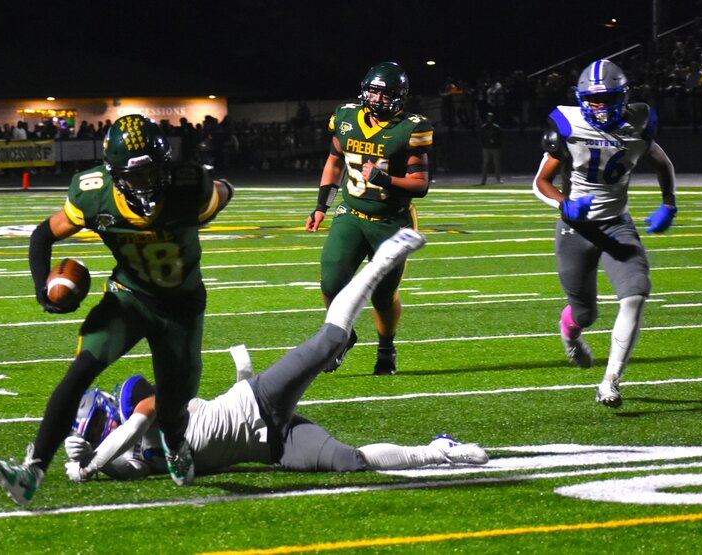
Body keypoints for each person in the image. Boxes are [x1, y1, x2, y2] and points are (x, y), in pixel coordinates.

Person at [61, 229, 488, 483]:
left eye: (99, 423)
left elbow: (131, 428)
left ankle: (382, 259)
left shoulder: (150, 406)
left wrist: (90, 463)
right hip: (271, 446)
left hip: (259, 400)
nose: (103, 431)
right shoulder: (139, 459)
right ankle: (440, 451)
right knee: (348, 462)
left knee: (328, 342)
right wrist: (81, 462)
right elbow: (135, 465)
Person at [0, 114, 234, 505]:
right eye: (134, 176)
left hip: (181, 308)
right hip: (129, 296)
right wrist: (42, 291)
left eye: (152, 171)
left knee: (173, 406)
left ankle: (174, 443)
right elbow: (42, 234)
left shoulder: (189, 186)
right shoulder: (95, 193)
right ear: (113, 173)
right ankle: (31, 471)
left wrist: (221, 188)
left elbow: (222, 192)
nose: (146, 183)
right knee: (81, 370)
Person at [532, 59, 678, 408]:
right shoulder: (568, 125)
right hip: (576, 228)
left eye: (606, 99)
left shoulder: (638, 123)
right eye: (592, 100)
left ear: (622, 97)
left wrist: (669, 203)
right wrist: (565, 206)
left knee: (635, 295)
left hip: (617, 222)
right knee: (585, 314)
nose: (598, 107)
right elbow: (540, 182)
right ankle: (571, 331)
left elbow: (662, 162)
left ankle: (611, 380)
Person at [305, 61, 433, 376]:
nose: (377, 100)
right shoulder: (346, 117)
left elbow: (420, 185)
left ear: (399, 97)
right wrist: (322, 205)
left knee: (382, 295)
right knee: (331, 280)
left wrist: (384, 179)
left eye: (385, 94)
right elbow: (334, 161)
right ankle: (342, 337)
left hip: (392, 221)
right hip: (350, 212)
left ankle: (386, 349)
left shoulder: (411, 128)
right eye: (373, 92)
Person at [479, 112, 503, 185]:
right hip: (486, 148)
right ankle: (483, 180)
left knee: (496, 163)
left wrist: (497, 145)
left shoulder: (496, 128)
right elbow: (481, 138)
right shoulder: (484, 128)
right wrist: (483, 145)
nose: (490, 119)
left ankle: (498, 179)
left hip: (495, 148)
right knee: (485, 164)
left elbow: (500, 138)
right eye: (488, 117)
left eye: (491, 117)